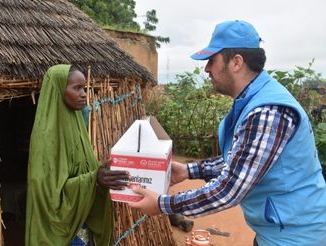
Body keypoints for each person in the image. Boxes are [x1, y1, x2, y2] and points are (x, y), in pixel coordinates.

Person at [128, 20, 326, 245]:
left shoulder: (268, 111)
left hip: (296, 236)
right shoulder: (252, 102)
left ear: (236, 62)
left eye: (211, 60)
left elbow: (230, 189)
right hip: (278, 229)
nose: (206, 69)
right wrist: (188, 170)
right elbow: (243, 160)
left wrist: (164, 204)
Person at [25, 64, 129, 245]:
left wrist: (100, 173)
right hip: (62, 232)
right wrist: (94, 179)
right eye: (77, 88)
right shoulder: (46, 136)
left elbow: (84, 168)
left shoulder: (77, 124)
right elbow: (47, 194)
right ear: (58, 90)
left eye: (85, 88)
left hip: (81, 223)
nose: (83, 94)